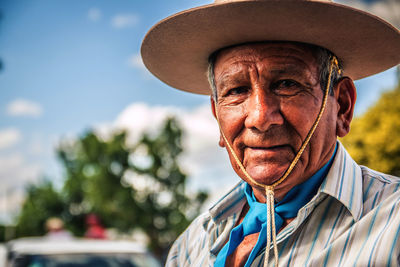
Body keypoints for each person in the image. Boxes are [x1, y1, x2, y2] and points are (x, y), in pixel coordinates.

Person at [141, 0, 400, 266]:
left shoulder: (393, 226)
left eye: (287, 84)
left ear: (342, 107)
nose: (260, 117)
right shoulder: (190, 247)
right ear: (217, 115)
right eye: (237, 90)